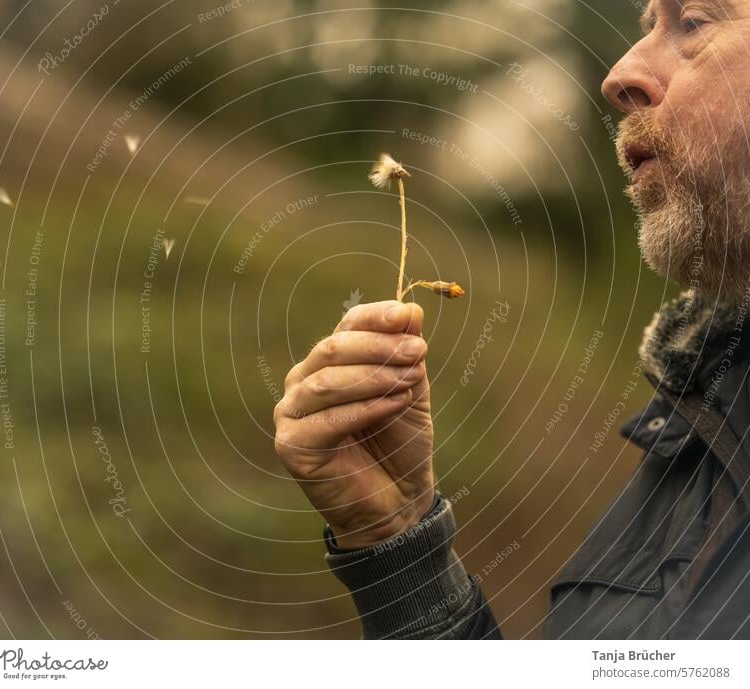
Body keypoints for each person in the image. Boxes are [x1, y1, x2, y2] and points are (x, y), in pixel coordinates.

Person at [273, 0, 750, 639]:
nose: (619, 75)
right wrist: (398, 542)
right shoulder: (706, 421)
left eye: (692, 22)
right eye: (645, 27)